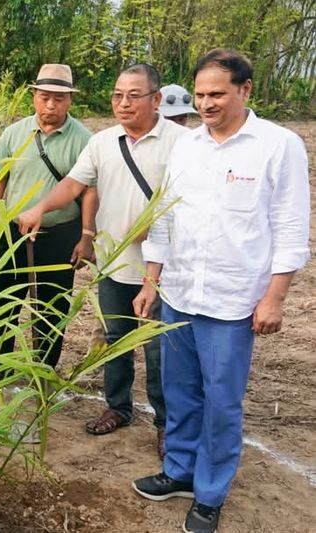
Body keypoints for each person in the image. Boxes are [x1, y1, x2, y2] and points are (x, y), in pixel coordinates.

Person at [131, 49, 310, 533]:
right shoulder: (188, 147)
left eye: (217, 94)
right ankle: (180, 472)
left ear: (245, 90)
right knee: (180, 392)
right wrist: (152, 281)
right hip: (179, 294)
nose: (207, 104)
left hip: (233, 302)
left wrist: (275, 297)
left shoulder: (278, 145)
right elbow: (164, 217)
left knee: (222, 402)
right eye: (202, 95)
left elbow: (291, 228)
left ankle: (210, 493)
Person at [17, 64, 189, 457]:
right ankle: (118, 407)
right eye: (117, 95)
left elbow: (193, 199)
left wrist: (162, 224)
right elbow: (75, 185)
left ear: (156, 99)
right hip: (115, 261)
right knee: (115, 339)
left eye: (134, 95)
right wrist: (41, 207)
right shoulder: (103, 142)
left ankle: (166, 425)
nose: (123, 103)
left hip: (164, 267)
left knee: (159, 348)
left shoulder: (183, 142)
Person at [0, 64, 94, 374]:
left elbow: (90, 191)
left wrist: (86, 236)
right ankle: (1, 367)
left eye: (59, 99)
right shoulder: (14, 133)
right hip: (15, 233)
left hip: (60, 234)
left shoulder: (83, 139)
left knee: (52, 306)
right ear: (34, 96)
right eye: (45, 97)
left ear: (70, 101)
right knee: (3, 301)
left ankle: (44, 369)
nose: (51, 105)